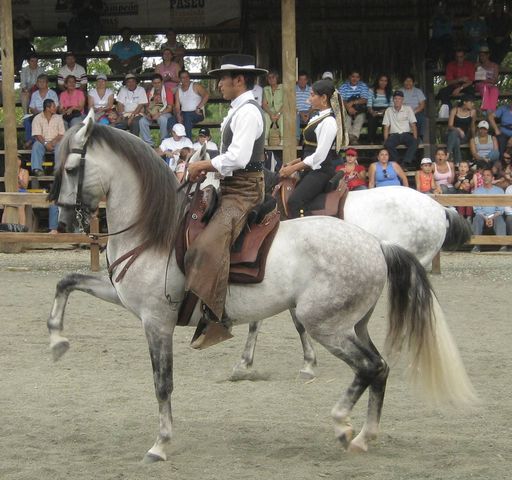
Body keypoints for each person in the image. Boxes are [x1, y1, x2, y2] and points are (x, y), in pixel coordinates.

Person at [183, 54, 268, 349]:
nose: (219, 84)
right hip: (231, 184)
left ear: (239, 80)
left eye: (223, 78)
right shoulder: (238, 109)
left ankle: (217, 317)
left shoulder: (248, 113)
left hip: (244, 190)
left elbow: (239, 158)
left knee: (208, 244)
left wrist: (203, 166)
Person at [279, 79, 346, 216]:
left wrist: (292, 169)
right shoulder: (319, 116)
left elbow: (319, 156)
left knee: (294, 201)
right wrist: (293, 162)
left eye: (312, 95)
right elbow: (310, 150)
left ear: (323, 98)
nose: (309, 99)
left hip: (321, 172)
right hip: (311, 169)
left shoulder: (328, 122)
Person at [471, 167, 506, 252]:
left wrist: (491, 217)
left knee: (500, 220)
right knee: (477, 219)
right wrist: (486, 218)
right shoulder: (477, 191)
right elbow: (477, 209)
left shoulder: (499, 191)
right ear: (482, 178)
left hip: (495, 215)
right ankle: (476, 245)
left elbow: (501, 209)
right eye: (484, 175)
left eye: (488, 175)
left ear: (493, 178)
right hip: (482, 215)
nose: (486, 177)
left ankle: (503, 245)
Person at [23, 74, 60, 149]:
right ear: (37, 84)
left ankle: (32, 140)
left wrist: (46, 112)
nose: (41, 83)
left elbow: (56, 107)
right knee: (26, 120)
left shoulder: (52, 93)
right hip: (37, 114)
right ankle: (29, 141)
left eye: (43, 82)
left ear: (47, 83)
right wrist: (36, 112)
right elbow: (32, 108)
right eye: (39, 82)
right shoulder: (35, 94)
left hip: (50, 114)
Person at [436, 48, 475, 118]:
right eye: (457, 57)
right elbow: (449, 82)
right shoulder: (450, 65)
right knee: (442, 92)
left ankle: (462, 112)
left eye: (461, 57)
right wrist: (459, 79)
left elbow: (470, 81)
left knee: (471, 92)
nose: (459, 59)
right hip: (453, 85)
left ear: (464, 56)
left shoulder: (469, 65)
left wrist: (460, 88)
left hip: (465, 86)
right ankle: (450, 111)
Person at [382, 90, 418, 167]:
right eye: (395, 98)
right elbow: (386, 126)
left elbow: (413, 124)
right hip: (394, 135)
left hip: (406, 134)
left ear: (402, 100)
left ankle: (405, 162)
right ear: (393, 99)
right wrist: (386, 140)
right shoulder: (388, 110)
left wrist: (415, 138)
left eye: (399, 99)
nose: (397, 100)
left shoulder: (408, 109)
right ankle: (397, 162)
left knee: (415, 142)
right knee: (387, 144)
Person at [30, 99, 65, 176]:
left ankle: (58, 169)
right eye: (53, 106)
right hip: (42, 142)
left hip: (56, 142)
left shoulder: (59, 118)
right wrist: (46, 143)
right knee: (36, 145)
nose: (56, 108)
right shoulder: (37, 118)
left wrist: (52, 142)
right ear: (47, 108)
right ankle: (37, 169)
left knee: (60, 146)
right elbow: (37, 135)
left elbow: (61, 134)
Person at [139, 73, 174, 147]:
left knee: (163, 119)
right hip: (152, 114)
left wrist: (159, 114)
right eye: (155, 83)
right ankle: (149, 144)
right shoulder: (149, 93)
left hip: (164, 113)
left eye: (158, 82)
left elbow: (170, 108)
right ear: (152, 83)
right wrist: (148, 114)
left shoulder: (168, 91)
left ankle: (164, 142)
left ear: (162, 82)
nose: (157, 85)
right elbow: (147, 107)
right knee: (142, 121)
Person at [173, 70, 209, 139]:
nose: (185, 79)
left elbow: (206, 95)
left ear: (189, 77)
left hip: (197, 113)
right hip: (184, 113)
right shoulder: (178, 90)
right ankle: (173, 142)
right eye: (183, 78)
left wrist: (199, 108)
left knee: (187, 117)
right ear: (180, 79)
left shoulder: (195, 86)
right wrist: (178, 115)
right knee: (171, 120)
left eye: (187, 77)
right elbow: (177, 106)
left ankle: (188, 142)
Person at [338, 70, 369, 145]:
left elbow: (365, 99)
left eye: (357, 77)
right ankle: (349, 138)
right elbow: (341, 100)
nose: (355, 79)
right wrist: (349, 108)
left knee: (360, 118)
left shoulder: (363, 86)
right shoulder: (343, 87)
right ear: (349, 77)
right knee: (347, 119)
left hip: (360, 110)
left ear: (359, 78)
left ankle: (353, 137)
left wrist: (353, 102)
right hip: (346, 109)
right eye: (353, 76)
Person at [446, 94, 477, 165]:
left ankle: (448, 155)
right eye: (471, 102)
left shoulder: (473, 112)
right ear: (464, 102)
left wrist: (474, 137)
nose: (473, 104)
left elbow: (472, 126)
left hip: (464, 137)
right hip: (451, 135)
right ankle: (458, 162)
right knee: (454, 135)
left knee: (456, 138)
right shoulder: (455, 110)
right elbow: (450, 126)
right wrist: (458, 130)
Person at [1, 157, 29, 226]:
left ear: (20, 162)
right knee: (7, 205)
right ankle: (3, 225)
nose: (17, 161)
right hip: (11, 191)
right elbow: (7, 184)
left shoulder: (25, 171)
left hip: (21, 192)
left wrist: (19, 180)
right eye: (15, 159)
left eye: (19, 159)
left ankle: (22, 226)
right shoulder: (8, 171)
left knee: (20, 205)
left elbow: (25, 186)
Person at [367, 74, 392, 144]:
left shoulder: (389, 91)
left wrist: (385, 111)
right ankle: (371, 141)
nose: (383, 82)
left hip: (386, 110)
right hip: (374, 109)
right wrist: (372, 112)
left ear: (387, 82)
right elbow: (369, 105)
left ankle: (384, 140)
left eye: (385, 81)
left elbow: (391, 105)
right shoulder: (371, 90)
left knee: (387, 119)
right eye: (381, 80)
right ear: (378, 81)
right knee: (372, 119)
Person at [400, 74, 426, 140]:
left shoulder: (418, 91)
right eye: (406, 81)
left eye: (410, 81)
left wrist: (414, 112)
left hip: (416, 111)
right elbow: (397, 103)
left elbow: (422, 105)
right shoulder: (400, 91)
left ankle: (420, 137)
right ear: (403, 82)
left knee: (421, 118)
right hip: (403, 112)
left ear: (413, 82)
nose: (408, 83)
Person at [474, 45, 500, 112]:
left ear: (488, 55)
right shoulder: (477, 65)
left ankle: (491, 110)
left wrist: (484, 79)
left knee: (495, 90)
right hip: (480, 85)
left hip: (491, 85)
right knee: (484, 88)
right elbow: (476, 79)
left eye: (483, 55)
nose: (481, 57)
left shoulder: (494, 66)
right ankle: (487, 109)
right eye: (480, 56)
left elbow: (495, 80)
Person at [262, 70, 284, 144]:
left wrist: (278, 113)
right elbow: (264, 104)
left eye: (273, 77)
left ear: (277, 78)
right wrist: (271, 114)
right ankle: (265, 140)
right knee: (265, 116)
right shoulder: (266, 89)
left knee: (282, 118)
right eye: (269, 78)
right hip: (270, 111)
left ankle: (282, 140)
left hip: (281, 110)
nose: (271, 79)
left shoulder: (283, 87)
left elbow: (286, 104)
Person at [295, 71, 311, 142]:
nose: (302, 81)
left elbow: (314, 104)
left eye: (304, 79)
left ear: (307, 81)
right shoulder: (293, 89)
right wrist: (300, 113)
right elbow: (292, 104)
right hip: (297, 112)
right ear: (297, 80)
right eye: (300, 79)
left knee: (316, 116)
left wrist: (308, 113)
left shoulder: (311, 90)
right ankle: (297, 139)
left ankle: (311, 139)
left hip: (309, 112)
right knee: (295, 116)